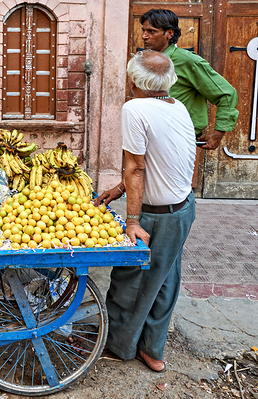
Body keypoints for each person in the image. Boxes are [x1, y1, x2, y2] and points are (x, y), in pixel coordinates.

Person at [94, 50, 196, 372]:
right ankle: (152, 349)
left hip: (159, 215)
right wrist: (118, 189)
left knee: (132, 282)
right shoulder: (177, 107)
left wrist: (133, 220)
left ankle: (120, 347)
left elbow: (137, 166)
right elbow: (154, 162)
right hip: (183, 209)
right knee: (165, 280)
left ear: (134, 81)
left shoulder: (134, 108)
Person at [140, 8, 239, 150]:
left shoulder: (187, 61)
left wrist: (218, 134)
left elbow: (227, 94)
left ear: (169, 33)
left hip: (178, 139)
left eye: (151, 31)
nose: (144, 36)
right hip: (151, 137)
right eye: (144, 30)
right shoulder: (147, 60)